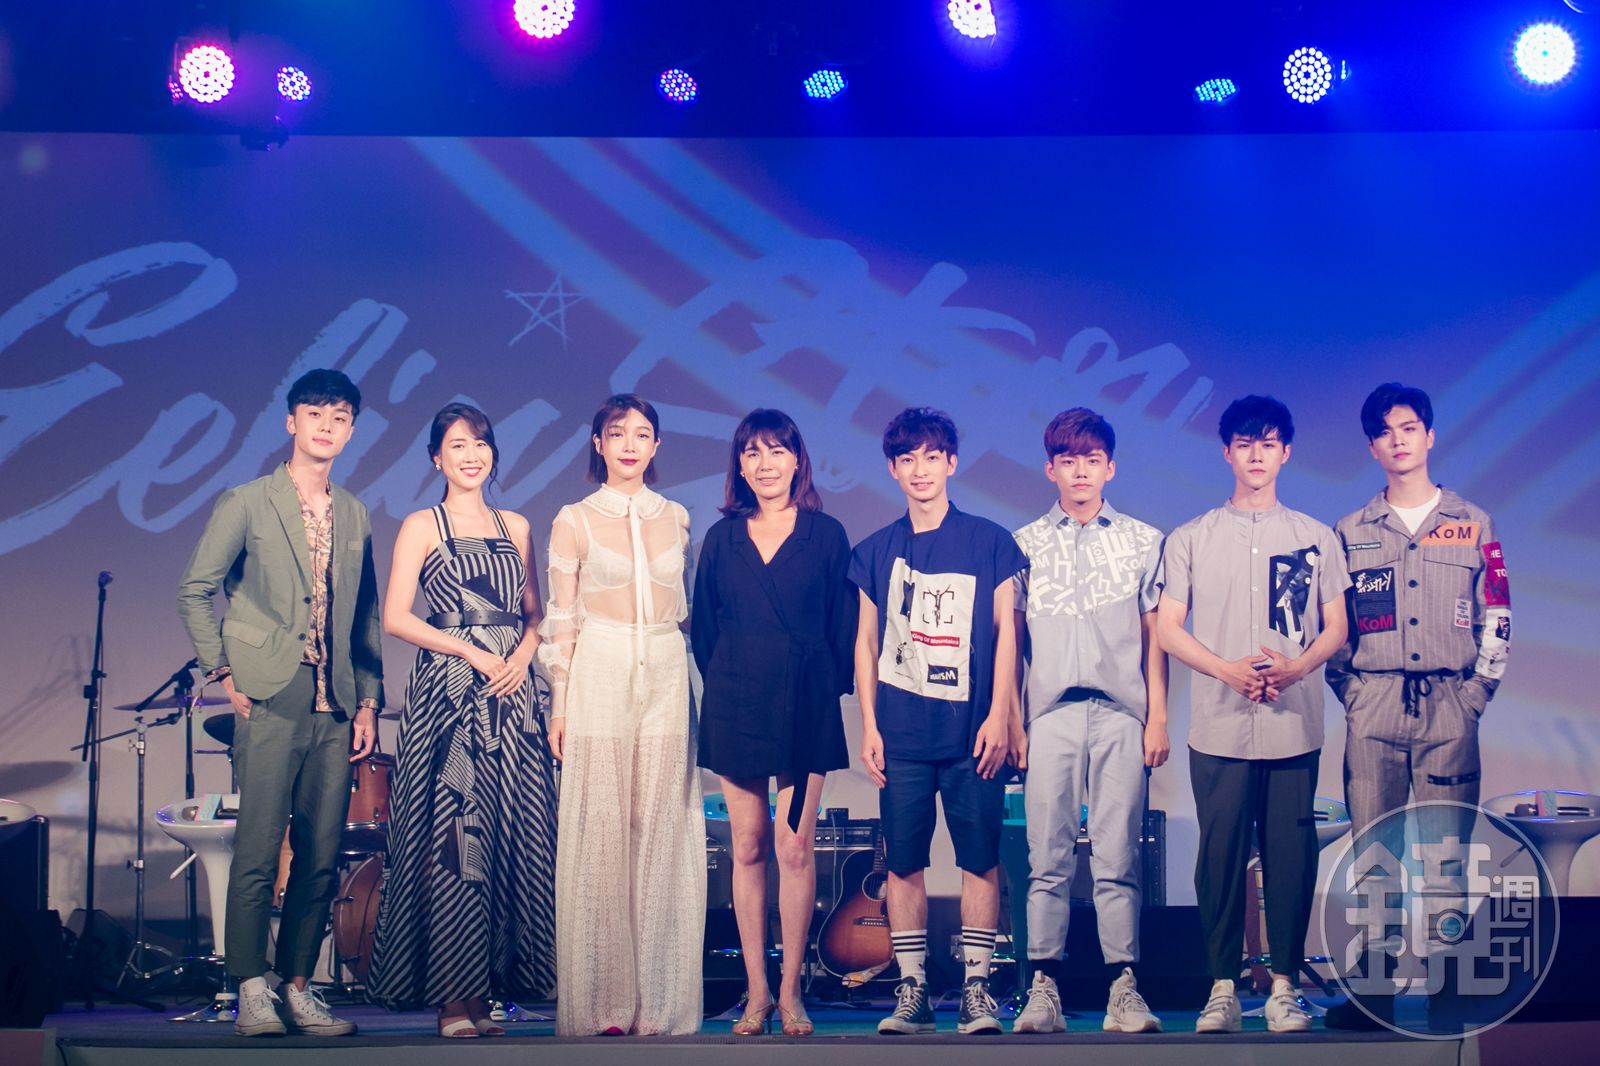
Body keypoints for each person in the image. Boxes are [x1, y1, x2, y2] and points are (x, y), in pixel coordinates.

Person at [176, 368, 382, 1037]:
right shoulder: (247, 501)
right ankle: (249, 988)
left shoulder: (354, 512)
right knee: (260, 849)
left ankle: (297, 986)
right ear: (291, 421)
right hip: (271, 689)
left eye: (340, 417)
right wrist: (223, 668)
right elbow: (195, 589)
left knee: (320, 855)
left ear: (351, 431)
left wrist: (369, 701)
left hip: (336, 701)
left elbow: (365, 616)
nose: (327, 426)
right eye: (315, 414)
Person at [1155, 395, 1349, 1035]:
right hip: (1219, 723)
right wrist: (1226, 669)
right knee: (1220, 856)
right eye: (1245, 444)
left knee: (1292, 856)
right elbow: (1168, 629)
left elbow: (1336, 626)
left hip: (1293, 722)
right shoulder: (1192, 537)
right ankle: (1221, 987)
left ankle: (1285, 987)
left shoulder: (1315, 537)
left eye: (1268, 444)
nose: (1256, 455)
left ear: (1285, 453)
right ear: (1227, 453)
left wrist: (1295, 668)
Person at [365, 403, 558, 1038]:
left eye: (480, 444)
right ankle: (451, 996)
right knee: (453, 839)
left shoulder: (517, 525)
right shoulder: (423, 524)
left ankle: (484, 994)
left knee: (506, 836)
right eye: (456, 445)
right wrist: (471, 651)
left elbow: (535, 614)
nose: (471, 455)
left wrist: (522, 658)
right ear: (436, 458)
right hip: (448, 696)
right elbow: (396, 617)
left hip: (511, 695)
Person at [1322, 383, 1511, 1032]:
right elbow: (1334, 628)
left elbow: (1498, 615)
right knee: (1375, 851)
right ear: (1371, 448)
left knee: (1445, 855)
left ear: (1429, 435)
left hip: (1450, 706)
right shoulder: (1350, 531)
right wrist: (1353, 693)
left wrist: (1475, 697)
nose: (1398, 440)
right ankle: (1373, 990)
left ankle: (1446, 985)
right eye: (1385, 431)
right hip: (1373, 706)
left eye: (1409, 427)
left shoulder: (1473, 522)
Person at [849, 406, 1028, 1036]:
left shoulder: (990, 541)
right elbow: (865, 642)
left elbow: (1008, 636)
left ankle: (977, 989)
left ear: (951, 462)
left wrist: (1002, 714)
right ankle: (913, 990)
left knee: (979, 857)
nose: (920, 469)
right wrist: (869, 726)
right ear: (893, 469)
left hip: (973, 733)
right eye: (907, 459)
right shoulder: (874, 551)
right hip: (901, 733)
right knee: (904, 862)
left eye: (931, 457)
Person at [539, 394, 704, 1036]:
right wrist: (559, 701)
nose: (629, 444)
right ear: (598, 443)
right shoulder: (574, 519)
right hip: (600, 667)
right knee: (603, 828)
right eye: (617, 433)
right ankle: (605, 1005)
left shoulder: (678, 517)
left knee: (662, 827)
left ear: (656, 445)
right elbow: (561, 618)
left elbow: (684, 613)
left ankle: (660, 1003)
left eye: (641, 434)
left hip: (665, 665)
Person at [691, 409, 856, 1037]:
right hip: (735, 703)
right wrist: (736, 675)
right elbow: (705, 630)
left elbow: (843, 628)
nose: (765, 464)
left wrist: (811, 683)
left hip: (806, 706)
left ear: (797, 460)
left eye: (777, 451)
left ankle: (791, 992)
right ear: (739, 465)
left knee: (793, 846)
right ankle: (756, 991)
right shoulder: (722, 538)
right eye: (753, 452)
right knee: (749, 846)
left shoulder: (827, 534)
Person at [1010, 408, 1168, 1035]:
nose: (1080, 471)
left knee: (1117, 855)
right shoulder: (1023, 544)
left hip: (1120, 714)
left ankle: (1123, 988)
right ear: (1050, 468)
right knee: (1045, 857)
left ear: (1111, 468)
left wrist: (1157, 717)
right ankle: (1042, 987)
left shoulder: (1143, 540)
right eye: (1068, 460)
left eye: (1092, 460)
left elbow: (1156, 640)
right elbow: (1009, 644)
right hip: (1049, 714)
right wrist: (1014, 718)